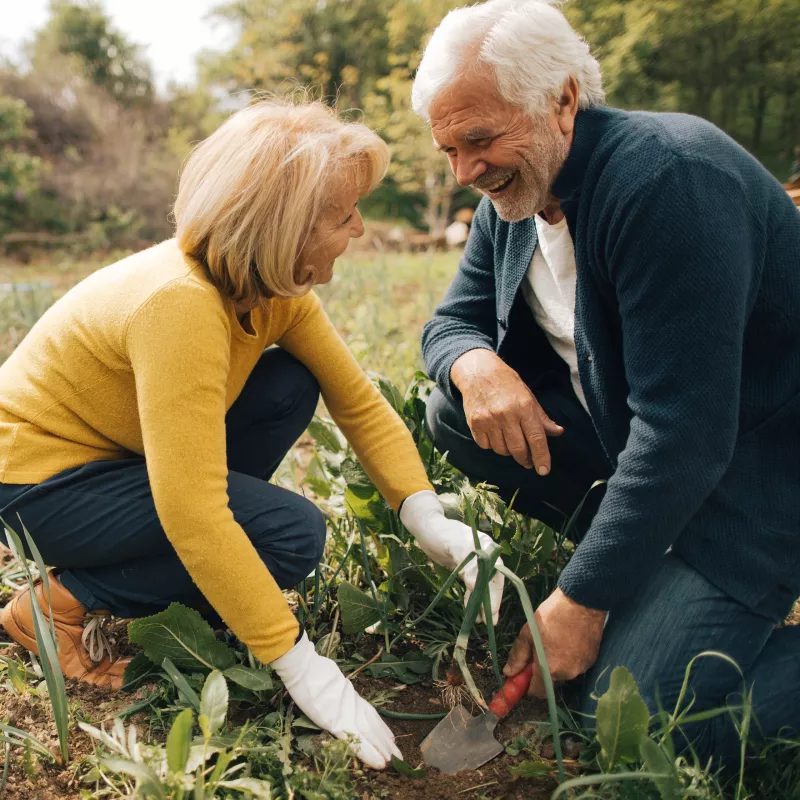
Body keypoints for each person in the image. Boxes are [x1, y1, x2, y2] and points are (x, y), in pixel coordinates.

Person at [0, 99, 505, 770]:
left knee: (289, 385)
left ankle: (180, 578)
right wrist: (301, 665)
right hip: (40, 479)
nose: (358, 228)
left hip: (121, 458)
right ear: (282, 226)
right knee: (289, 536)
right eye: (342, 214)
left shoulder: (276, 291)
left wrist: (426, 516)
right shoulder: (178, 304)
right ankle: (56, 607)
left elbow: (358, 403)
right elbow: (196, 514)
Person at [412, 0, 800, 765]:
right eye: (449, 150)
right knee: (453, 408)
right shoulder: (518, 195)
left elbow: (682, 434)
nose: (464, 173)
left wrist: (581, 602)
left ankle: (673, 577)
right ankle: (648, 561)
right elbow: (446, 325)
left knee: (634, 718)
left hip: (759, 481)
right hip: (663, 453)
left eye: (479, 140)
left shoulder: (667, 181)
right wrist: (474, 362)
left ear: (562, 99)